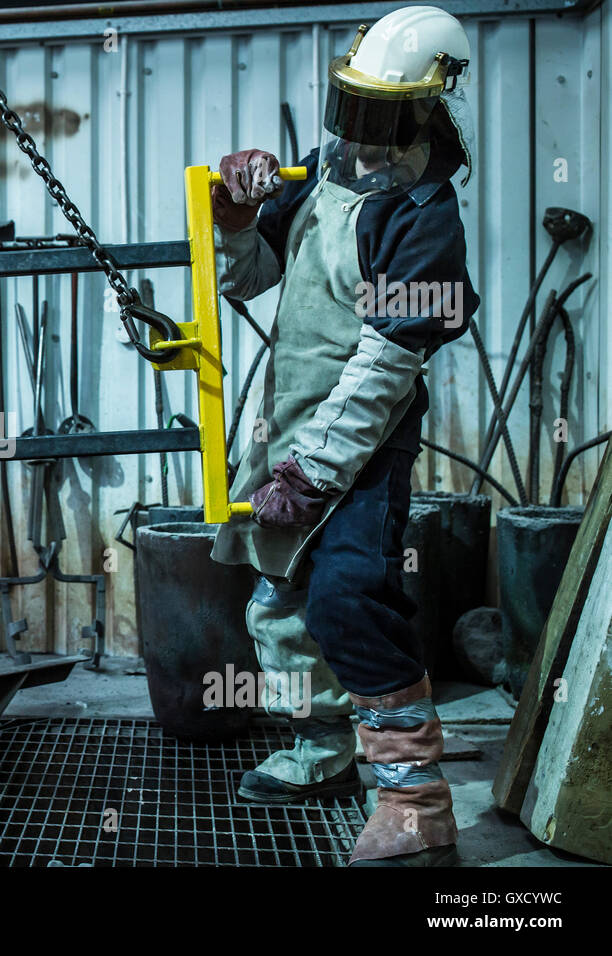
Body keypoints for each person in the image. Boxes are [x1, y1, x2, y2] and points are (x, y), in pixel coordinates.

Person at [209, 5, 478, 866]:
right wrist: (236, 217)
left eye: (380, 113)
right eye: (350, 104)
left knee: (347, 596)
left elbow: (384, 368)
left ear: (429, 108)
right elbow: (253, 280)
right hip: (291, 426)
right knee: (280, 607)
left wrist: (314, 473)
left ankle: (416, 804)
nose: (359, 132)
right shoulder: (326, 175)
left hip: (363, 446)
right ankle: (324, 755)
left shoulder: (424, 213)